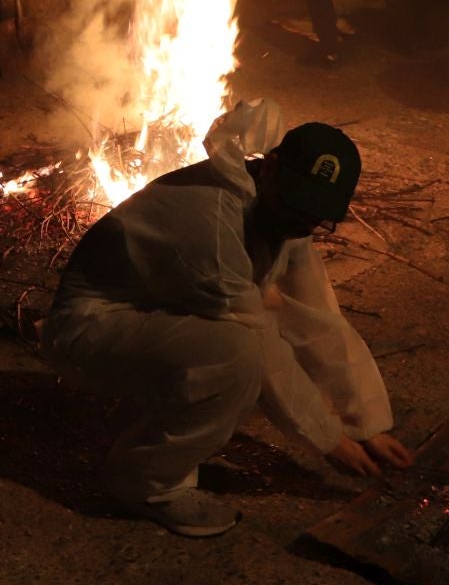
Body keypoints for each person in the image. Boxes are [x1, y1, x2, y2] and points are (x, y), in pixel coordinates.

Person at [40, 100, 414, 538]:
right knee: (235, 356)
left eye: (315, 217)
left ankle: (149, 413)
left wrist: (365, 422)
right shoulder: (211, 217)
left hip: (146, 317)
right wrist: (330, 441)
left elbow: (315, 318)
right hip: (86, 333)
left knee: (256, 324)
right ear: (270, 166)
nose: (301, 224)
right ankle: (146, 485)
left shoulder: (282, 213)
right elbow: (260, 345)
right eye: (298, 208)